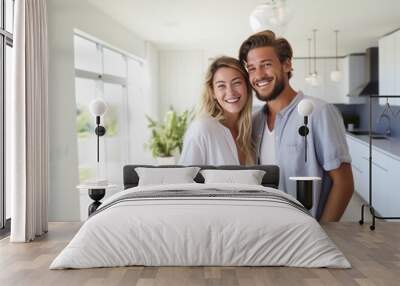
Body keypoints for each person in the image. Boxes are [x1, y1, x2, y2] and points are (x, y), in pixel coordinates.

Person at [238, 30, 354, 221]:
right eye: (251, 68)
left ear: (286, 64)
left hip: (306, 235)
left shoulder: (318, 112)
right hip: (266, 229)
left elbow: (343, 183)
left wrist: (323, 233)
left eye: (266, 65)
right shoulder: (255, 122)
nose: (259, 75)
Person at [179, 56, 254, 165]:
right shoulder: (201, 129)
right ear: (213, 92)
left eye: (237, 83)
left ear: (247, 86)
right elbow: (184, 179)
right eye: (221, 86)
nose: (231, 92)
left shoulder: (251, 129)